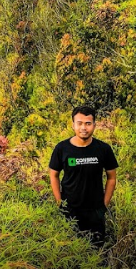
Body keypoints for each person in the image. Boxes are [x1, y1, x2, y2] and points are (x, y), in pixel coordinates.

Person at [49, 105, 118, 246]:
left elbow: (112, 177)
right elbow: (53, 174)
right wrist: (59, 202)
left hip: (95, 212)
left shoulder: (103, 149)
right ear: (73, 125)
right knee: (70, 251)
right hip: (70, 210)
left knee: (96, 252)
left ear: (94, 125)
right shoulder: (62, 149)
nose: (83, 128)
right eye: (79, 123)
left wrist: (104, 205)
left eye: (88, 123)